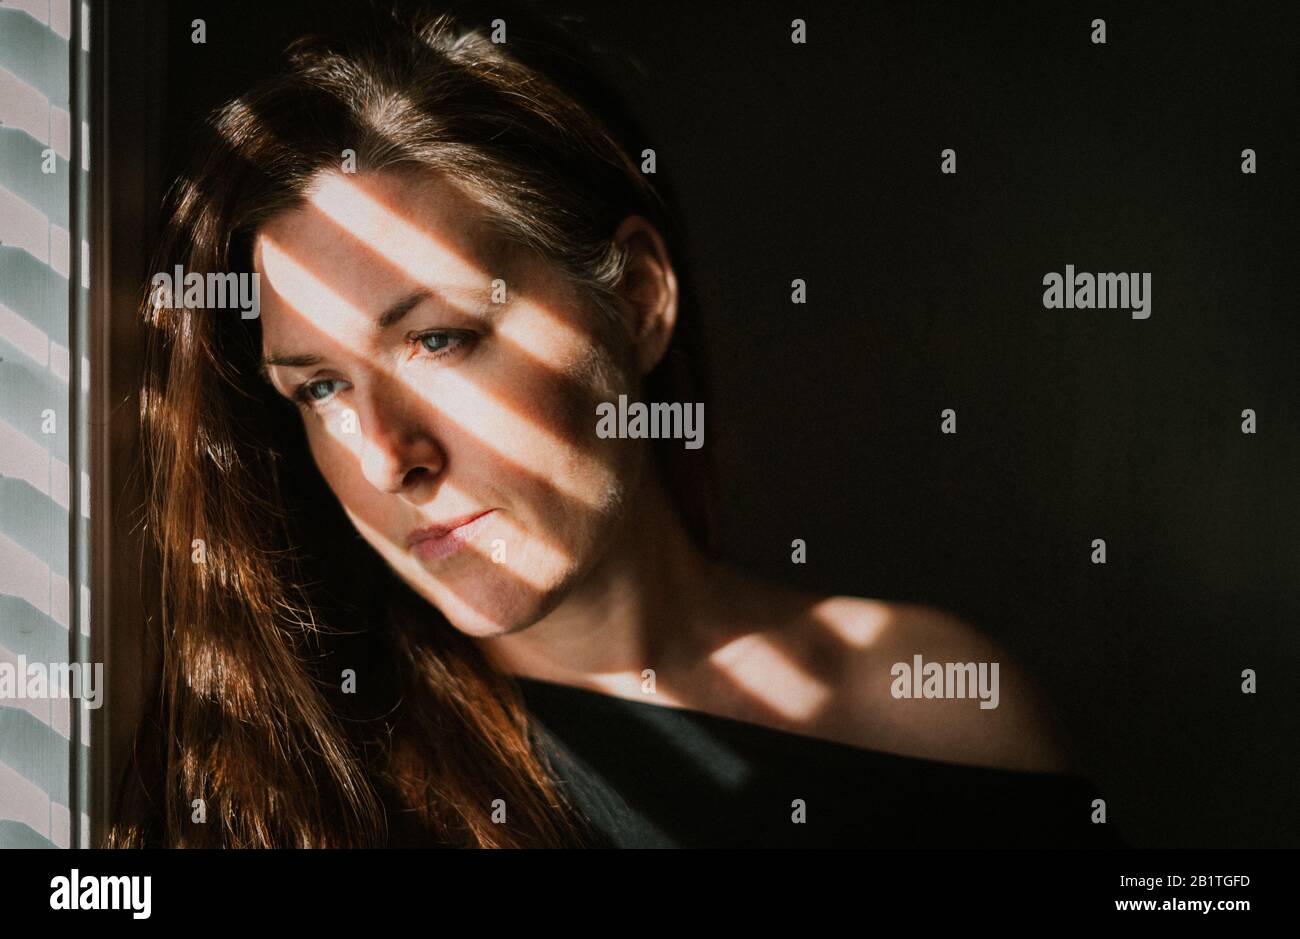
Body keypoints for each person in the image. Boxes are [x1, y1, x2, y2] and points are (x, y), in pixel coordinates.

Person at [110, 4, 1117, 848]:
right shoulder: (286, 789)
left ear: (636, 300)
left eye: (440, 340)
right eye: (318, 388)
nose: (384, 458)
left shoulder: (932, 708)